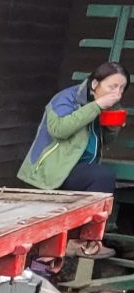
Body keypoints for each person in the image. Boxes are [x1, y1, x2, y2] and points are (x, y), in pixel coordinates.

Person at [17, 60, 125, 194]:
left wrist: (113, 127)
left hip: (80, 167)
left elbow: (106, 140)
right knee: (103, 176)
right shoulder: (67, 98)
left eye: (121, 88)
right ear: (95, 84)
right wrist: (96, 106)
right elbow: (59, 129)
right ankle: (92, 214)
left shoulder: (108, 105)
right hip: (52, 171)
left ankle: (91, 214)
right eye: (112, 87)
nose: (117, 94)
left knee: (100, 176)